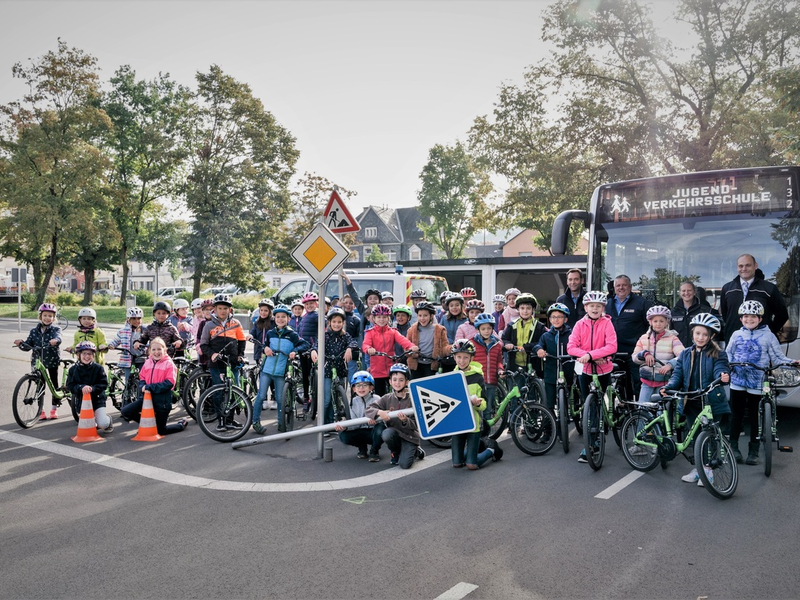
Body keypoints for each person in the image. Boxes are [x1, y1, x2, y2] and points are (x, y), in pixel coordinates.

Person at [660, 313, 731, 485]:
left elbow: (720, 368)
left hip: (711, 401)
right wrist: (669, 387)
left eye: (705, 334)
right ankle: (700, 469)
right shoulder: (685, 354)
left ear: (712, 336)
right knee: (695, 437)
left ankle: (709, 469)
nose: (701, 337)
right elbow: (678, 375)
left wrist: (722, 376)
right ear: (692, 333)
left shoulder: (718, 354)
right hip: (691, 401)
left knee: (711, 437)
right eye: (698, 333)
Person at [726, 300, 800, 465]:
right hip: (737, 380)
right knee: (736, 416)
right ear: (741, 319)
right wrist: (728, 367)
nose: (749, 319)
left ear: (760, 319)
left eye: (753, 316)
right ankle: (734, 447)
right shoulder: (736, 335)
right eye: (746, 316)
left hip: (757, 382)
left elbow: (777, 357)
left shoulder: (768, 336)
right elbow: (728, 354)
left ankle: (754, 451)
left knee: (755, 417)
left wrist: (792, 362)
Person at [567, 291, 618, 463]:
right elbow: (571, 347)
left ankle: (602, 428)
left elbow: (612, 346)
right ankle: (592, 443)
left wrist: (591, 355)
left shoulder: (607, 323)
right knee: (589, 406)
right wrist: (589, 356)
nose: (595, 309)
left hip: (604, 369)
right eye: (591, 306)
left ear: (603, 308)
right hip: (586, 370)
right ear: (586, 307)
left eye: (598, 306)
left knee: (601, 403)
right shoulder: (579, 324)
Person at [252, 304, 310, 434]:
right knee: (261, 396)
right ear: (275, 318)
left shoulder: (292, 334)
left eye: (283, 317)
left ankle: (281, 423)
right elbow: (264, 345)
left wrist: (295, 351)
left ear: (288, 319)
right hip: (267, 370)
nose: (280, 319)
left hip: (280, 372)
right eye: (278, 317)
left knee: (280, 399)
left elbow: (305, 344)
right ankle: (255, 422)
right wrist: (266, 348)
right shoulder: (270, 333)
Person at [450, 339, 502, 469]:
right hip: (458, 424)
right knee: (457, 463)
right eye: (459, 357)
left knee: (471, 464)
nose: (462, 361)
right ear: (454, 357)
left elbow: (484, 403)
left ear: (471, 358)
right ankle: (478, 447)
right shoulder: (451, 377)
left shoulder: (477, 377)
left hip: (474, 424)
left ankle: (492, 450)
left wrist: (478, 403)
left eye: (465, 357)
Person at [198, 294, 247, 432]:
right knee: (219, 392)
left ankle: (230, 420)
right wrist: (212, 354)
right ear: (214, 309)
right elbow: (203, 344)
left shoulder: (236, 323)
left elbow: (242, 341)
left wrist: (240, 355)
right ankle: (221, 421)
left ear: (230, 309)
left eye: (225, 308)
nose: (223, 311)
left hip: (232, 363)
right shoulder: (209, 325)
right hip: (217, 365)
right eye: (220, 308)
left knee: (233, 391)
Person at [120, 337, 189, 434]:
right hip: (146, 399)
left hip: (162, 402)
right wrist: (142, 385)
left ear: (165, 350)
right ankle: (149, 423)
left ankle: (181, 424)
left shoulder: (169, 364)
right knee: (125, 411)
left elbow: (169, 383)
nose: (156, 352)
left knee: (161, 431)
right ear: (150, 351)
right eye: (153, 349)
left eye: (159, 349)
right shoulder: (147, 362)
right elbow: (142, 377)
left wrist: (149, 387)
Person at [365, 363, 425, 468]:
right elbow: (369, 409)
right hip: (394, 434)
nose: (397, 383)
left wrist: (405, 421)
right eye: (395, 380)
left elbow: (418, 424)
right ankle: (395, 452)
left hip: (410, 437)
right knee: (387, 433)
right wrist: (380, 412)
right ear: (390, 381)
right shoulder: (386, 398)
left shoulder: (413, 398)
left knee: (405, 465)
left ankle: (416, 450)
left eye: (401, 380)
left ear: (407, 382)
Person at [720, 253, 789, 344]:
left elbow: (782, 315)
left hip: (761, 345)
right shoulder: (727, 289)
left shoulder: (769, 288)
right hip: (734, 343)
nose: (744, 269)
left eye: (748, 265)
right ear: (737, 268)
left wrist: (769, 331)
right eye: (741, 266)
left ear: (755, 266)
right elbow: (726, 316)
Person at [605, 274, 652, 399]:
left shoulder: (641, 303)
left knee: (638, 382)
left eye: (624, 285)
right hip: (613, 351)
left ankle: (639, 409)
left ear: (630, 287)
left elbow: (651, 326)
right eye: (618, 285)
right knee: (617, 384)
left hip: (634, 351)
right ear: (614, 288)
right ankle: (622, 409)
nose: (621, 288)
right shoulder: (607, 304)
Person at [14, 303, 62, 419]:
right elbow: (28, 345)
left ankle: (54, 409)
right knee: (40, 386)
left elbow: (59, 337)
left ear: (53, 318)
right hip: (37, 361)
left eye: (50, 316)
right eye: (45, 315)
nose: (47, 318)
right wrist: (21, 343)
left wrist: (56, 340)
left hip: (52, 360)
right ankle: (41, 410)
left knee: (54, 384)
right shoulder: (34, 331)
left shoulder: (56, 329)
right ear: (40, 316)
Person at [311, 307, 357, 425]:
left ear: (343, 323)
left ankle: (332, 421)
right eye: (334, 321)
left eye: (339, 322)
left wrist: (349, 348)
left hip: (340, 369)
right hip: (327, 370)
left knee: (337, 397)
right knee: (327, 399)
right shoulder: (325, 335)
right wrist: (314, 351)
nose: (337, 324)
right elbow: (316, 345)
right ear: (329, 322)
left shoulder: (345, 336)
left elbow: (353, 342)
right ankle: (323, 422)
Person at [632, 306, 684, 404]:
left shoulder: (673, 339)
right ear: (650, 322)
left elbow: (683, 356)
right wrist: (644, 354)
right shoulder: (643, 338)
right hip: (646, 382)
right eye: (655, 321)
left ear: (667, 322)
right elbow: (634, 357)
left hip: (664, 383)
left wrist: (670, 365)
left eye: (661, 321)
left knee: (661, 410)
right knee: (642, 409)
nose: (658, 324)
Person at [362, 304, 418, 396]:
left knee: (398, 391)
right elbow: (365, 344)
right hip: (377, 370)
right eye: (379, 317)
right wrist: (369, 349)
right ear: (374, 319)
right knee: (379, 395)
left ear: (388, 318)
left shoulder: (393, 332)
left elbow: (403, 340)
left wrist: (411, 346)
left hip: (391, 368)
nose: (381, 319)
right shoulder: (370, 333)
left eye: (384, 317)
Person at [534, 303, 574, 412]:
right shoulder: (546, 335)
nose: (556, 320)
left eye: (559, 317)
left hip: (568, 372)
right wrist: (539, 349)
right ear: (550, 319)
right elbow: (538, 345)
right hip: (550, 372)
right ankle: (550, 420)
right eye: (553, 317)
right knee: (549, 402)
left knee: (570, 399)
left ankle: (569, 416)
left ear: (565, 319)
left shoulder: (571, 334)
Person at [66, 341, 113, 432]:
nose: (87, 356)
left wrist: (93, 388)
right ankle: (95, 420)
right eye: (84, 353)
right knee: (88, 424)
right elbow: (70, 386)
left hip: (98, 400)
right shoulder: (73, 370)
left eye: (90, 354)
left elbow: (103, 384)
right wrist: (81, 387)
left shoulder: (98, 368)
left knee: (102, 424)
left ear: (93, 355)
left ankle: (108, 420)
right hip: (82, 402)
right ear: (78, 355)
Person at [335, 371, 382, 460]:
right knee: (343, 435)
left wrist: (375, 421)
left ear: (371, 387)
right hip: (359, 429)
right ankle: (362, 447)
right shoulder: (352, 402)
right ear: (354, 389)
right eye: (358, 385)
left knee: (380, 429)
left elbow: (383, 418)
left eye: (364, 385)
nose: (361, 388)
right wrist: (345, 427)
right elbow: (354, 423)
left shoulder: (377, 399)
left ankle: (374, 450)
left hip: (373, 430)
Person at [501, 293, 546, 381]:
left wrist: (527, 347)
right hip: (515, 365)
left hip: (533, 364)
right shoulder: (512, 325)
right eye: (522, 308)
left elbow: (542, 342)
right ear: (518, 309)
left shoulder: (539, 326)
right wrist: (507, 344)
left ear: (533, 309)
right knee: (516, 387)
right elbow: (504, 339)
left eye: (528, 308)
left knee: (533, 387)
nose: (525, 311)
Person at [406, 301, 450, 380]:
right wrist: (411, 352)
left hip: (431, 364)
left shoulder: (439, 330)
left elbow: (444, 346)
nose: (422, 318)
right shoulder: (412, 330)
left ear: (431, 316)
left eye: (425, 315)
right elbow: (406, 346)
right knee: (415, 384)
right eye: (420, 315)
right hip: (416, 365)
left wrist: (451, 349)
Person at [472, 313, 504, 418]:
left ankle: (486, 429)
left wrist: (500, 369)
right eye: (483, 329)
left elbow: (499, 361)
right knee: (476, 410)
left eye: (489, 328)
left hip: (491, 382)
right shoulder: (472, 343)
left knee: (488, 409)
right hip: (477, 383)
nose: (486, 331)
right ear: (478, 329)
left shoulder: (497, 345)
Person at [671, 281, 719, 348]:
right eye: (683, 291)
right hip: (678, 351)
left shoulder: (706, 311)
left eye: (689, 290)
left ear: (694, 292)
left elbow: (714, 334)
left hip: (700, 351)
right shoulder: (673, 312)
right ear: (680, 293)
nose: (686, 293)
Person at [107, 306, 146, 386]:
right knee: (128, 380)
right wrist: (111, 345)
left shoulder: (145, 331)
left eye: (139, 318)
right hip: (128, 359)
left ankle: (140, 392)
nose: (136, 321)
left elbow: (150, 341)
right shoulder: (123, 331)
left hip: (142, 358)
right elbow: (116, 340)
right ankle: (127, 392)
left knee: (143, 378)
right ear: (128, 319)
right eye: (133, 319)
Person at [299, 292, 321, 406]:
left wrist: (315, 346)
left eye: (311, 303)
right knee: (305, 374)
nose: (309, 306)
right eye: (307, 304)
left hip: (312, 348)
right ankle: (306, 396)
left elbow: (324, 326)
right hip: (303, 348)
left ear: (316, 304)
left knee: (310, 373)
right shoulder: (304, 316)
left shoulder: (317, 315)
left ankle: (311, 396)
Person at [440, 292, 467, 372]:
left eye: (457, 305)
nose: (454, 308)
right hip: (447, 353)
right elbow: (440, 334)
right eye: (451, 305)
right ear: (448, 307)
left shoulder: (466, 320)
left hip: (461, 352)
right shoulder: (444, 319)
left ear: (461, 306)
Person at [340, 294, 362, 380]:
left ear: (354, 305)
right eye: (346, 303)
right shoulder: (338, 317)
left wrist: (352, 346)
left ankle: (353, 387)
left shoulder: (356, 320)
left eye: (351, 303)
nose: (348, 305)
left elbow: (358, 336)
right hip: (338, 348)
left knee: (352, 371)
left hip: (351, 349)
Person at [249, 298, 275, 364]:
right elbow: (253, 332)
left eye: (266, 311)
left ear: (270, 312)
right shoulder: (257, 322)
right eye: (261, 310)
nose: (263, 312)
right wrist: (250, 336)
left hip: (270, 351)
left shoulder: (273, 323)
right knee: (258, 368)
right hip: (258, 351)